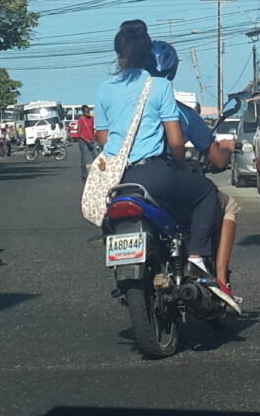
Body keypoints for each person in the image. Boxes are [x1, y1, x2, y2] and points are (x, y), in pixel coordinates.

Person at [96, 20, 238, 313]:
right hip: (155, 174)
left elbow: (103, 140)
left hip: (120, 181)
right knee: (207, 195)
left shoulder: (104, 90)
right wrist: (178, 167)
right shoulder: (159, 87)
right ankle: (198, 258)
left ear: (118, 53)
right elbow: (175, 141)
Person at [149, 40, 242, 298]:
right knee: (226, 203)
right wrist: (225, 147)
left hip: (132, 181)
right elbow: (218, 161)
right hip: (167, 179)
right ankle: (219, 278)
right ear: (173, 71)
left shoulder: (130, 109)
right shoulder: (180, 112)